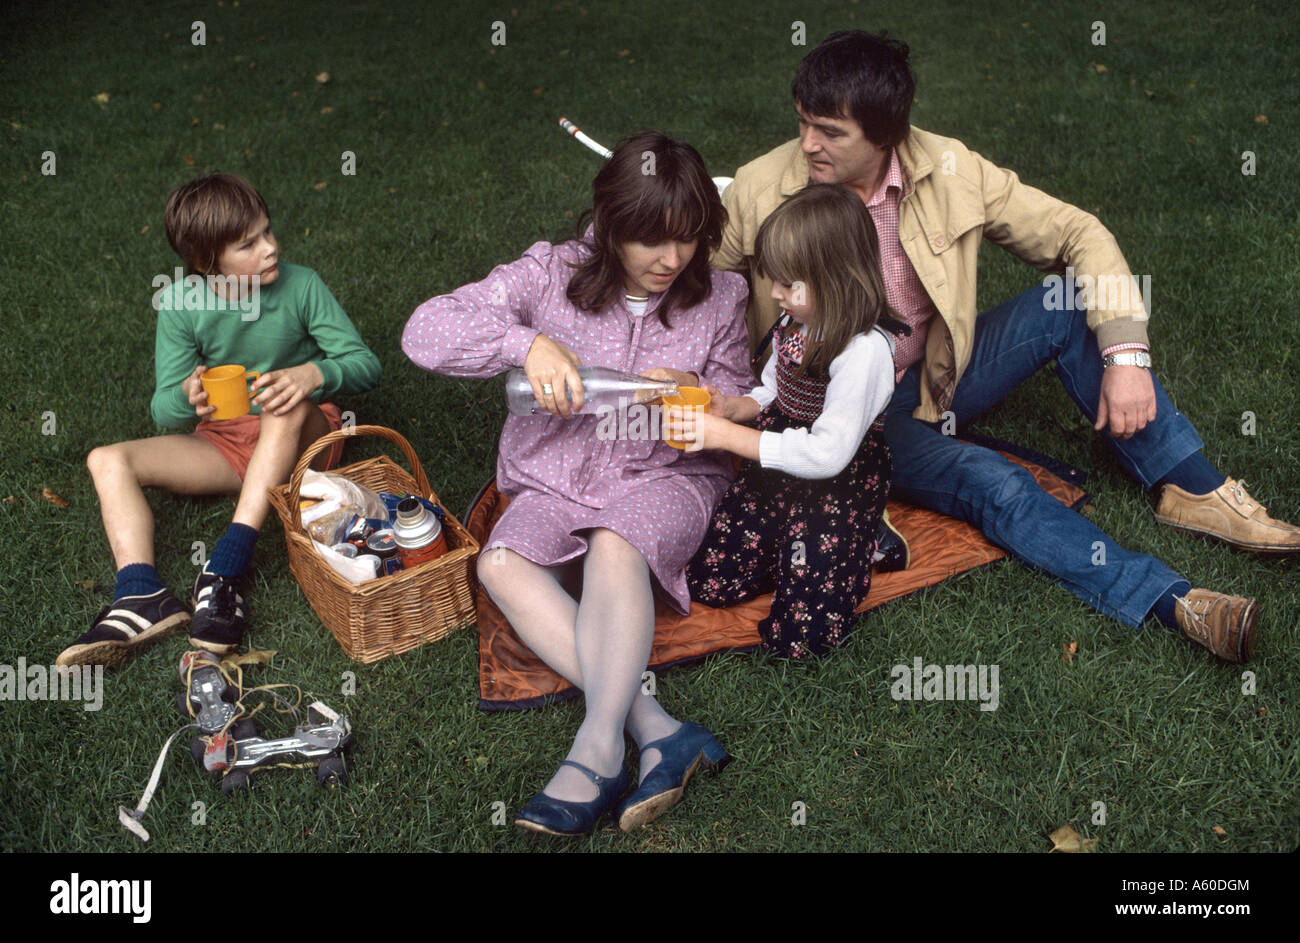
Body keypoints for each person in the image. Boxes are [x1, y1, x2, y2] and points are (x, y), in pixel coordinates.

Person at [714, 30, 1300, 664]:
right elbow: (703, 295)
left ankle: (1193, 490)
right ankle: (1176, 600)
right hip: (846, 410)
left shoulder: (951, 171)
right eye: (802, 122)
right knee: (1002, 487)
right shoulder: (761, 186)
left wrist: (1126, 359)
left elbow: (1077, 231)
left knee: (1069, 303)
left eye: (829, 131)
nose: (806, 144)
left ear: (886, 134)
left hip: (930, 375)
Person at [402, 132, 753, 834]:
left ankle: (595, 750)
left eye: (688, 240)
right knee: (498, 561)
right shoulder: (550, 273)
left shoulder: (723, 295)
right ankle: (657, 726)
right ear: (612, 226)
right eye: (652, 240)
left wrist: (697, 390)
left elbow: (741, 393)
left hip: (667, 474)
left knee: (615, 541)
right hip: (553, 478)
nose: (672, 260)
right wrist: (525, 344)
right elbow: (423, 331)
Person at [57, 173, 381, 669]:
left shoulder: (302, 286)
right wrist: (190, 400)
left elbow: (365, 365)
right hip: (226, 441)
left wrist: (313, 372)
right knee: (107, 459)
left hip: (304, 433)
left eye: (268, 232)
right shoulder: (181, 304)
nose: (270, 248)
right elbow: (163, 407)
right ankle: (141, 594)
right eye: (248, 244)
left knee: (284, 405)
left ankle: (226, 569)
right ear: (207, 263)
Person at [675, 184, 900, 659]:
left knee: (802, 639)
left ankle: (860, 542)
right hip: (777, 470)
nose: (774, 293)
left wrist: (727, 437)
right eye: (772, 279)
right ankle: (794, 551)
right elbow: (774, 391)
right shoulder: (796, 321)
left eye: (787, 283)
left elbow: (826, 454)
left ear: (836, 277)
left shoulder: (864, 353)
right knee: (708, 582)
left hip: (835, 488)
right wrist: (734, 408)